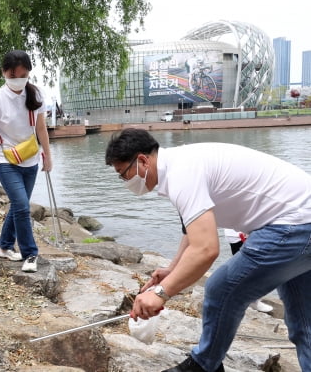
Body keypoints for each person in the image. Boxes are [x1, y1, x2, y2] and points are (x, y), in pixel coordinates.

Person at [105, 128, 311, 372]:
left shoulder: (182, 174)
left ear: (142, 160)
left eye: (124, 174)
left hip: (294, 224)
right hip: (300, 219)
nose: (126, 183)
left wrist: (160, 293)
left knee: (222, 289)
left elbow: (206, 249)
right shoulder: (181, 165)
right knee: (303, 323)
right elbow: (193, 234)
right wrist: (172, 270)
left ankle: (204, 366)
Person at [0, 50, 52, 273]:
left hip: (30, 159)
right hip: (6, 159)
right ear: (4, 73)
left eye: (23, 75)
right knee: (22, 206)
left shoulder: (36, 94)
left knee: (18, 205)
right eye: (14, 76)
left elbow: (41, 127)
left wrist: (47, 156)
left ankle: (4, 246)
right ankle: (30, 253)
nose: (18, 80)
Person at [222, 228, 273, 313]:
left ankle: (246, 298)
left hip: (243, 231)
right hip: (240, 233)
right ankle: (249, 300)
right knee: (251, 267)